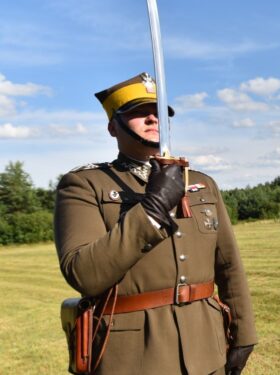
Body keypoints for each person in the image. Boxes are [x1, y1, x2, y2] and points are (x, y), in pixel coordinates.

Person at [54, 73, 257, 374]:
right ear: (113, 127)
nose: (153, 118)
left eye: (159, 112)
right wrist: (154, 207)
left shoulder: (201, 183)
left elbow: (228, 266)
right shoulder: (84, 185)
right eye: (138, 112)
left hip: (206, 344)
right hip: (133, 354)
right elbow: (84, 273)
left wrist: (243, 333)